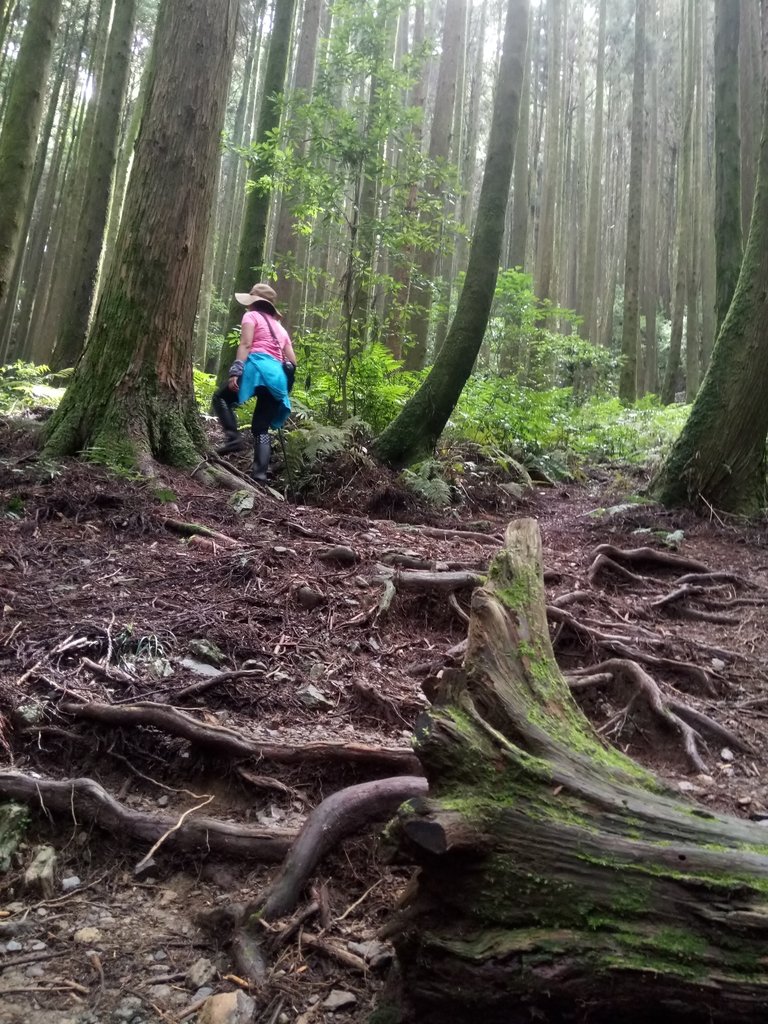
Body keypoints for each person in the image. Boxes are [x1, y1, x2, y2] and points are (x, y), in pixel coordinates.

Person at [212, 283, 297, 483]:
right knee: (261, 428)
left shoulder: (250, 317)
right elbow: (293, 362)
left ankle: (233, 439)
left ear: (254, 303)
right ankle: (260, 476)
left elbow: (246, 344)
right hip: (277, 378)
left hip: (256, 369)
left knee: (220, 398)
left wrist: (236, 371)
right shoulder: (280, 328)